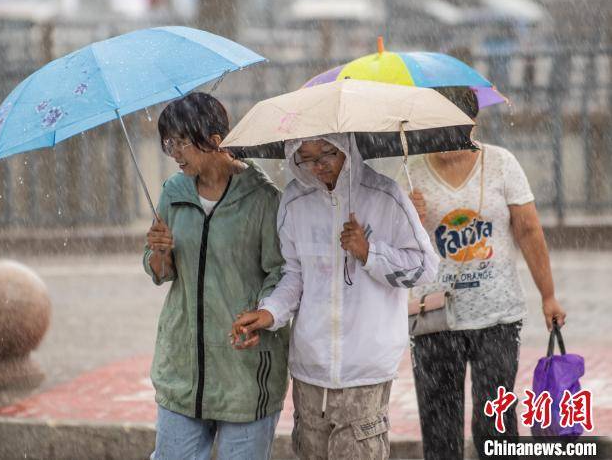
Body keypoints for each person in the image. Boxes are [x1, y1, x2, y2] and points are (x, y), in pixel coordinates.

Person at [231, 133, 438, 460]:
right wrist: (269, 312)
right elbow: (294, 275)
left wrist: (369, 252)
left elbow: (425, 268)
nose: (319, 166)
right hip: (309, 369)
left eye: (328, 153)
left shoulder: (385, 196)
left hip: (366, 370)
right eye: (307, 157)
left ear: (347, 148)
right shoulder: (294, 201)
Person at [404, 86, 568, 460]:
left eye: (453, 127)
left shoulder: (502, 163)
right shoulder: (410, 175)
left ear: (472, 123)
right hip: (434, 319)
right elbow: (394, 250)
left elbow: (528, 230)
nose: (443, 137)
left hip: (497, 316)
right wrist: (408, 219)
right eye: (436, 127)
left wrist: (548, 295)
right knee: (439, 424)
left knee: (494, 420)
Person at [143, 92, 289, 460]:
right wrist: (159, 252)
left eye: (180, 142)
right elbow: (161, 273)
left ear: (214, 140)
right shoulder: (172, 193)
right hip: (182, 367)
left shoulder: (263, 199)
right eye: (167, 142)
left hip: (244, 369)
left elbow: (282, 271)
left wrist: (263, 315)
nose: (173, 152)